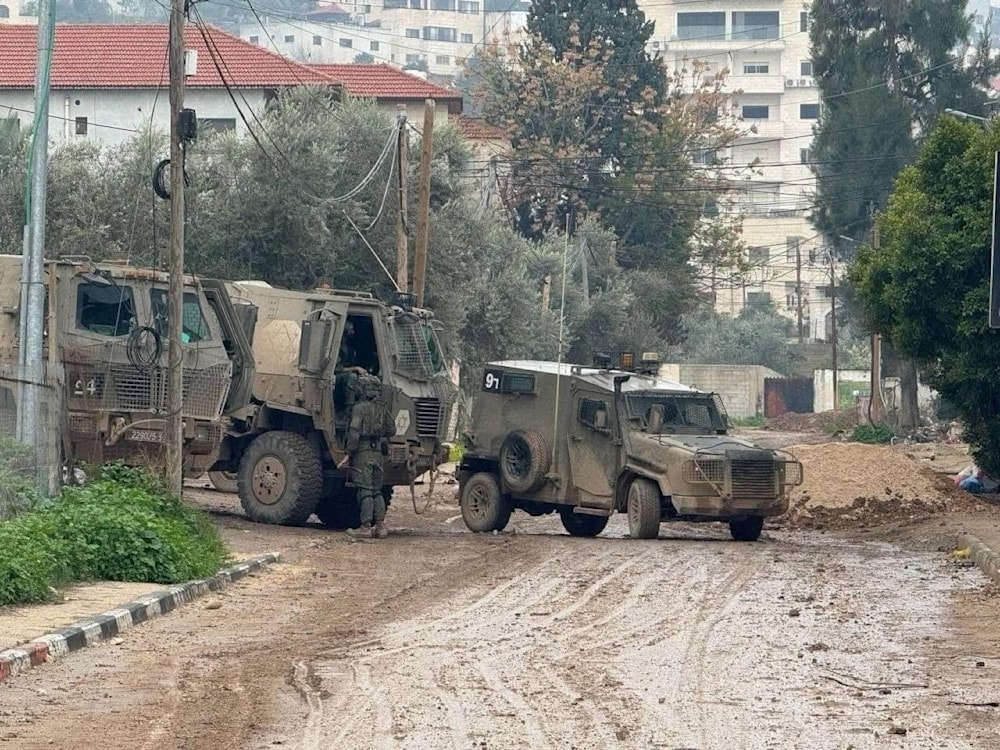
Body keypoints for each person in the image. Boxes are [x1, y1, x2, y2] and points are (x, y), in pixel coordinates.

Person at [342, 374, 397, 540]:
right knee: (376, 490)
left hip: (363, 452)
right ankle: (380, 527)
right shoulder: (382, 407)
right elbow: (392, 429)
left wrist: (348, 453)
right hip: (378, 452)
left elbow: (354, 431)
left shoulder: (359, 408)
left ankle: (365, 527)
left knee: (365, 490)